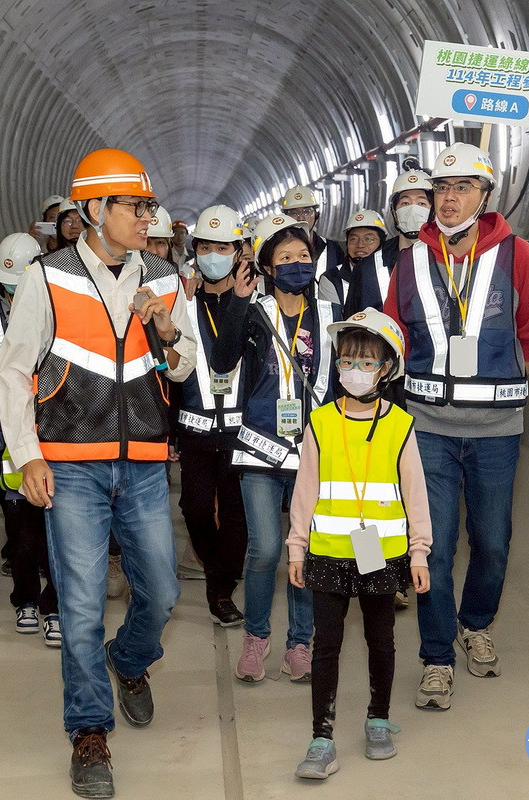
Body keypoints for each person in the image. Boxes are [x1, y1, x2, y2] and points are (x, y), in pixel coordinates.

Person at [0, 148, 196, 799]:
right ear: (94, 211)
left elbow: (187, 366)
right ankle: (89, 733)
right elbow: (13, 368)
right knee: (81, 603)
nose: (147, 216)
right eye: (135, 206)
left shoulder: (163, 278)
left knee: (162, 592)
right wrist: (27, 453)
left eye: (147, 206)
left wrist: (167, 330)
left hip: (141, 464)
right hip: (72, 466)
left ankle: (130, 661)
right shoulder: (47, 278)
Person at [382, 143, 529, 711]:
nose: (449, 199)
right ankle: (436, 657)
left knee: (493, 541)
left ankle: (475, 621)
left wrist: (507, 376)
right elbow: (394, 331)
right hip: (427, 425)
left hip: (496, 428)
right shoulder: (409, 262)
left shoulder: (516, 254)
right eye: (441, 191)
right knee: (430, 544)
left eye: (461, 189)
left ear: (485, 196)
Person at [287, 308, 432, 779]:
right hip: (327, 554)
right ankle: (321, 738)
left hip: (380, 554)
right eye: (348, 360)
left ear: (386, 369)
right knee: (325, 645)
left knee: (380, 641)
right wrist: (296, 547)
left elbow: (415, 493)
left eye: (367, 363)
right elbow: (305, 491)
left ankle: (377, 720)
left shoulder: (400, 426)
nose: (356, 371)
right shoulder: (320, 423)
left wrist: (419, 551)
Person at [208, 213, 339, 684]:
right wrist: (239, 303)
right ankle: (256, 637)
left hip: (312, 451)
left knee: (304, 550)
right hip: (260, 448)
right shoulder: (253, 311)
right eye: (285, 258)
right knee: (264, 548)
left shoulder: (329, 314)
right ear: (266, 266)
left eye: (304, 256)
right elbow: (222, 362)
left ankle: (299, 644)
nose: (297, 264)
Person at [174, 204, 250, 627]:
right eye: (205, 245)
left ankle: (220, 590)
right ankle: (219, 567)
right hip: (195, 428)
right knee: (196, 509)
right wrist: (168, 433)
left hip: (242, 431)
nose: (213, 253)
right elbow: (168, 371)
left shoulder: (255, 302)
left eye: (223, 246)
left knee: (237, 516)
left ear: (238, 251)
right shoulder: (182, 299)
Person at [0, 232, 62, 647]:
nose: (14, 294)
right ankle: (26, 601)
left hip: (56, 435)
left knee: (57, 527)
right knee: (21, 526)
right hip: (11, 439)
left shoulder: (58, 306)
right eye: (8, 286)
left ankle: (54, 606)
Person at [343, 168, 432, 318]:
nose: (412, 210)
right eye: (405, 203)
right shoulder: (367, 268)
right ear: (393, 212)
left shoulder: (448, 259)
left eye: (421, 203)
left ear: (433, 210)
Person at [280, 185, 345, 289]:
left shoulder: (333, 249)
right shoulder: (277, 250)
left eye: (306, 212)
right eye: (294, 213)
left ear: (316, 214)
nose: (301, 218)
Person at [318, 209, 386, 306]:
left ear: (381, 243)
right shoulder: (332, 278)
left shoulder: (391, 274)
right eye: (354, 239)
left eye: (369, 239)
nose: (360, 245)